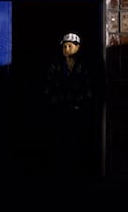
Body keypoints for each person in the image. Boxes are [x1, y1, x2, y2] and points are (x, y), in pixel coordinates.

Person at [42, 32, 94, 187]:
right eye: (64, 46)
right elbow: (47, 86)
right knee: (59, 142)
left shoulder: (84, 67)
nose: (66, 49)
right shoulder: (56, 65)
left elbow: (89, 89)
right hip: (59, 111)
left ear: (78, 48)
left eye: (70, 46)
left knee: (77, 142)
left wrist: (80, 105)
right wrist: (54, 103)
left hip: (78, 112)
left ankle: (77, 174)